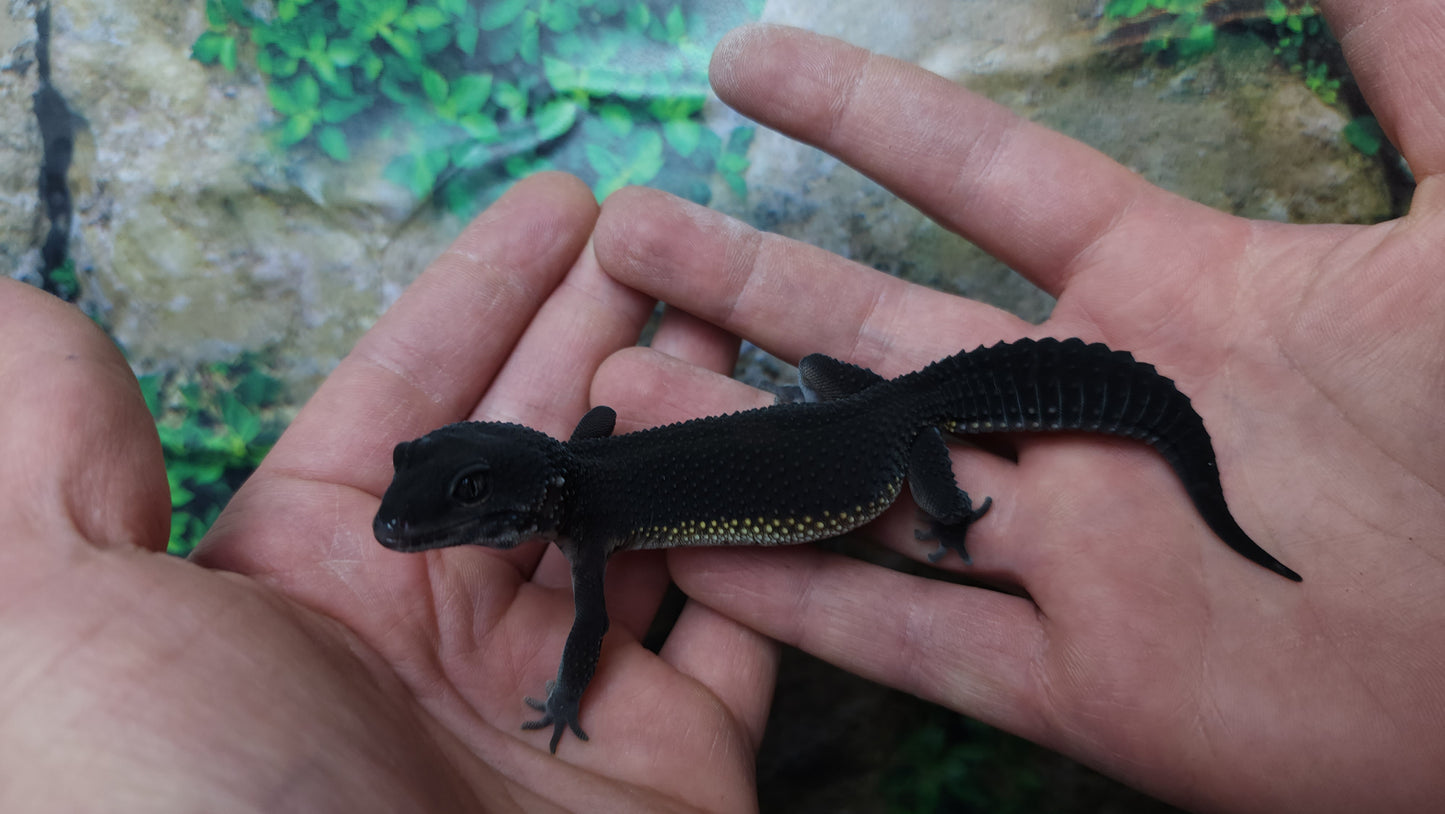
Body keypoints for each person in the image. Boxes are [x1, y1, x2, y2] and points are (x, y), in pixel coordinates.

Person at [2, 1, 1441, 809]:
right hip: (873, 405)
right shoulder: (576, 480)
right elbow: (595, 454)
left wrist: (948, 522)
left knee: (931, 456)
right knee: (904, 408)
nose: (416, 527)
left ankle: (955, 504)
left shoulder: (582, 527)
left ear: (518, 500)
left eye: (440, 507)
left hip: (891, 436)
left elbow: (581, 624)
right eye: (430, 507)